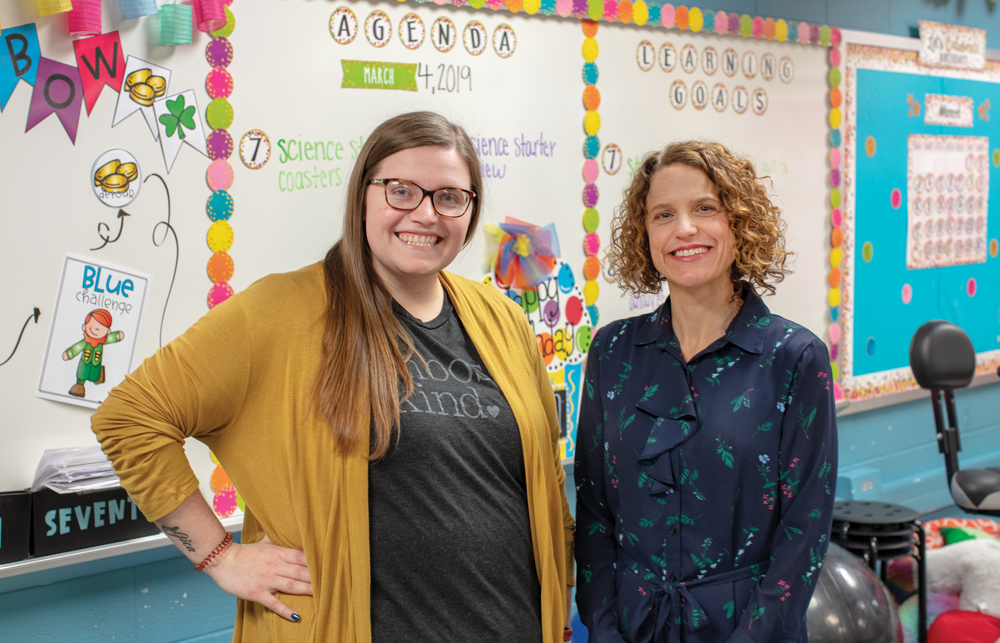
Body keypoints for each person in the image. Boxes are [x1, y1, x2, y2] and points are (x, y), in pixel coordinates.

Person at [92, 111, 574, 643]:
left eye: (449, 197)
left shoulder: (500, 317)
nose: (426, 213)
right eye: (401, 191)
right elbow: (129, 418)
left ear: (470, 209)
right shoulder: (279, 312)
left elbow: (543, 477)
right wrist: (219, 556)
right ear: (363, 196)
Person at [574, 141, 837, 643]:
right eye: (663, 214)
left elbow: (804, 532)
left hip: (749, 629)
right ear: (644, 234)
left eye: (705, 208)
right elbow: (593, 508)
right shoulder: (612, 351)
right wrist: (604, 627)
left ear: (740, 223)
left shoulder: (794, 356)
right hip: (631, 626)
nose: (684, 229)